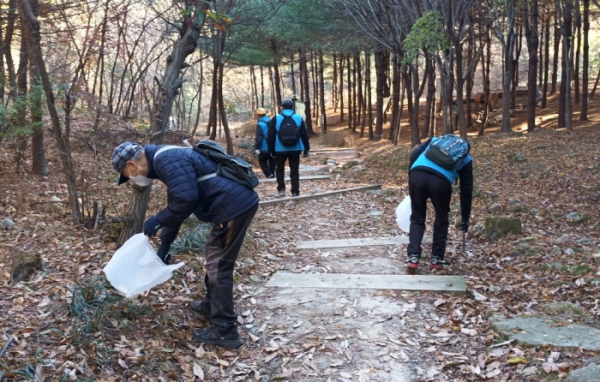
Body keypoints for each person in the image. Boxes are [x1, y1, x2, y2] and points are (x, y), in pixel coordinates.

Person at [111, 142, 259, 349]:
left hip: (233, 206)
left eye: (127, 174)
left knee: (219, 265)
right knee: (216, 259)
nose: (131, 179)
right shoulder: (164, 159)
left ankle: (225, 329)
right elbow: (178, 205)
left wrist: (157, 219)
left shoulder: (165, 160)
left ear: (131, 164)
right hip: (233, 204)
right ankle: (211, 306)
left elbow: (185, 200)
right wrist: (164, 248)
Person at [406, 134, 473, 274]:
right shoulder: (466, 158)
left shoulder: (435, 140)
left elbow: (415, 153)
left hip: (417, 174)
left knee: (417, 218)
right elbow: (466, 189)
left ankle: (413, 257)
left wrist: (411, 174)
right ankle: (436, 259)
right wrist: (465, 218)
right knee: (441, 219)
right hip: (441, 182)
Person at [267, 98, 310, 197]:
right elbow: (304, 135)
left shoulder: (276, 118)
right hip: (295, 149)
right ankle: (295, 191)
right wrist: (306, 149)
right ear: (292, 107)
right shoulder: (299, 117)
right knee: (294, 170)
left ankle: (281, 189)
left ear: (281, 107)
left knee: (280, 169)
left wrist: (271, 150)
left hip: (280, 149)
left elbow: (271, 135)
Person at [254, 108, 275, 178]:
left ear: (258, 115)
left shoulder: (260, 124)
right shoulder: (272, 121)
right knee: (272, 160)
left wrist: (257, 147)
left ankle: (269, 174)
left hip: (264, 146)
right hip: (273, 145)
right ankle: (272, 173)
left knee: (262, 160)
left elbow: (259, 136)